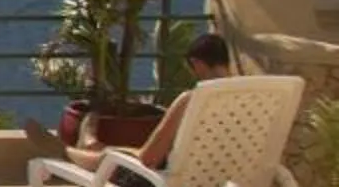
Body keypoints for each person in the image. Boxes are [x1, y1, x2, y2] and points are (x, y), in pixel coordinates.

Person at [28, 33, 233, 177]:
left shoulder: (190, 100)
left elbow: (149, 158)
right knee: (119, 153)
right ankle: (90, 144)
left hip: (167, 183)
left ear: (197, 63)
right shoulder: (257, 96)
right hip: (226, 184)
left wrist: (128, 153)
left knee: (118, 158)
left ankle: (67, 152)